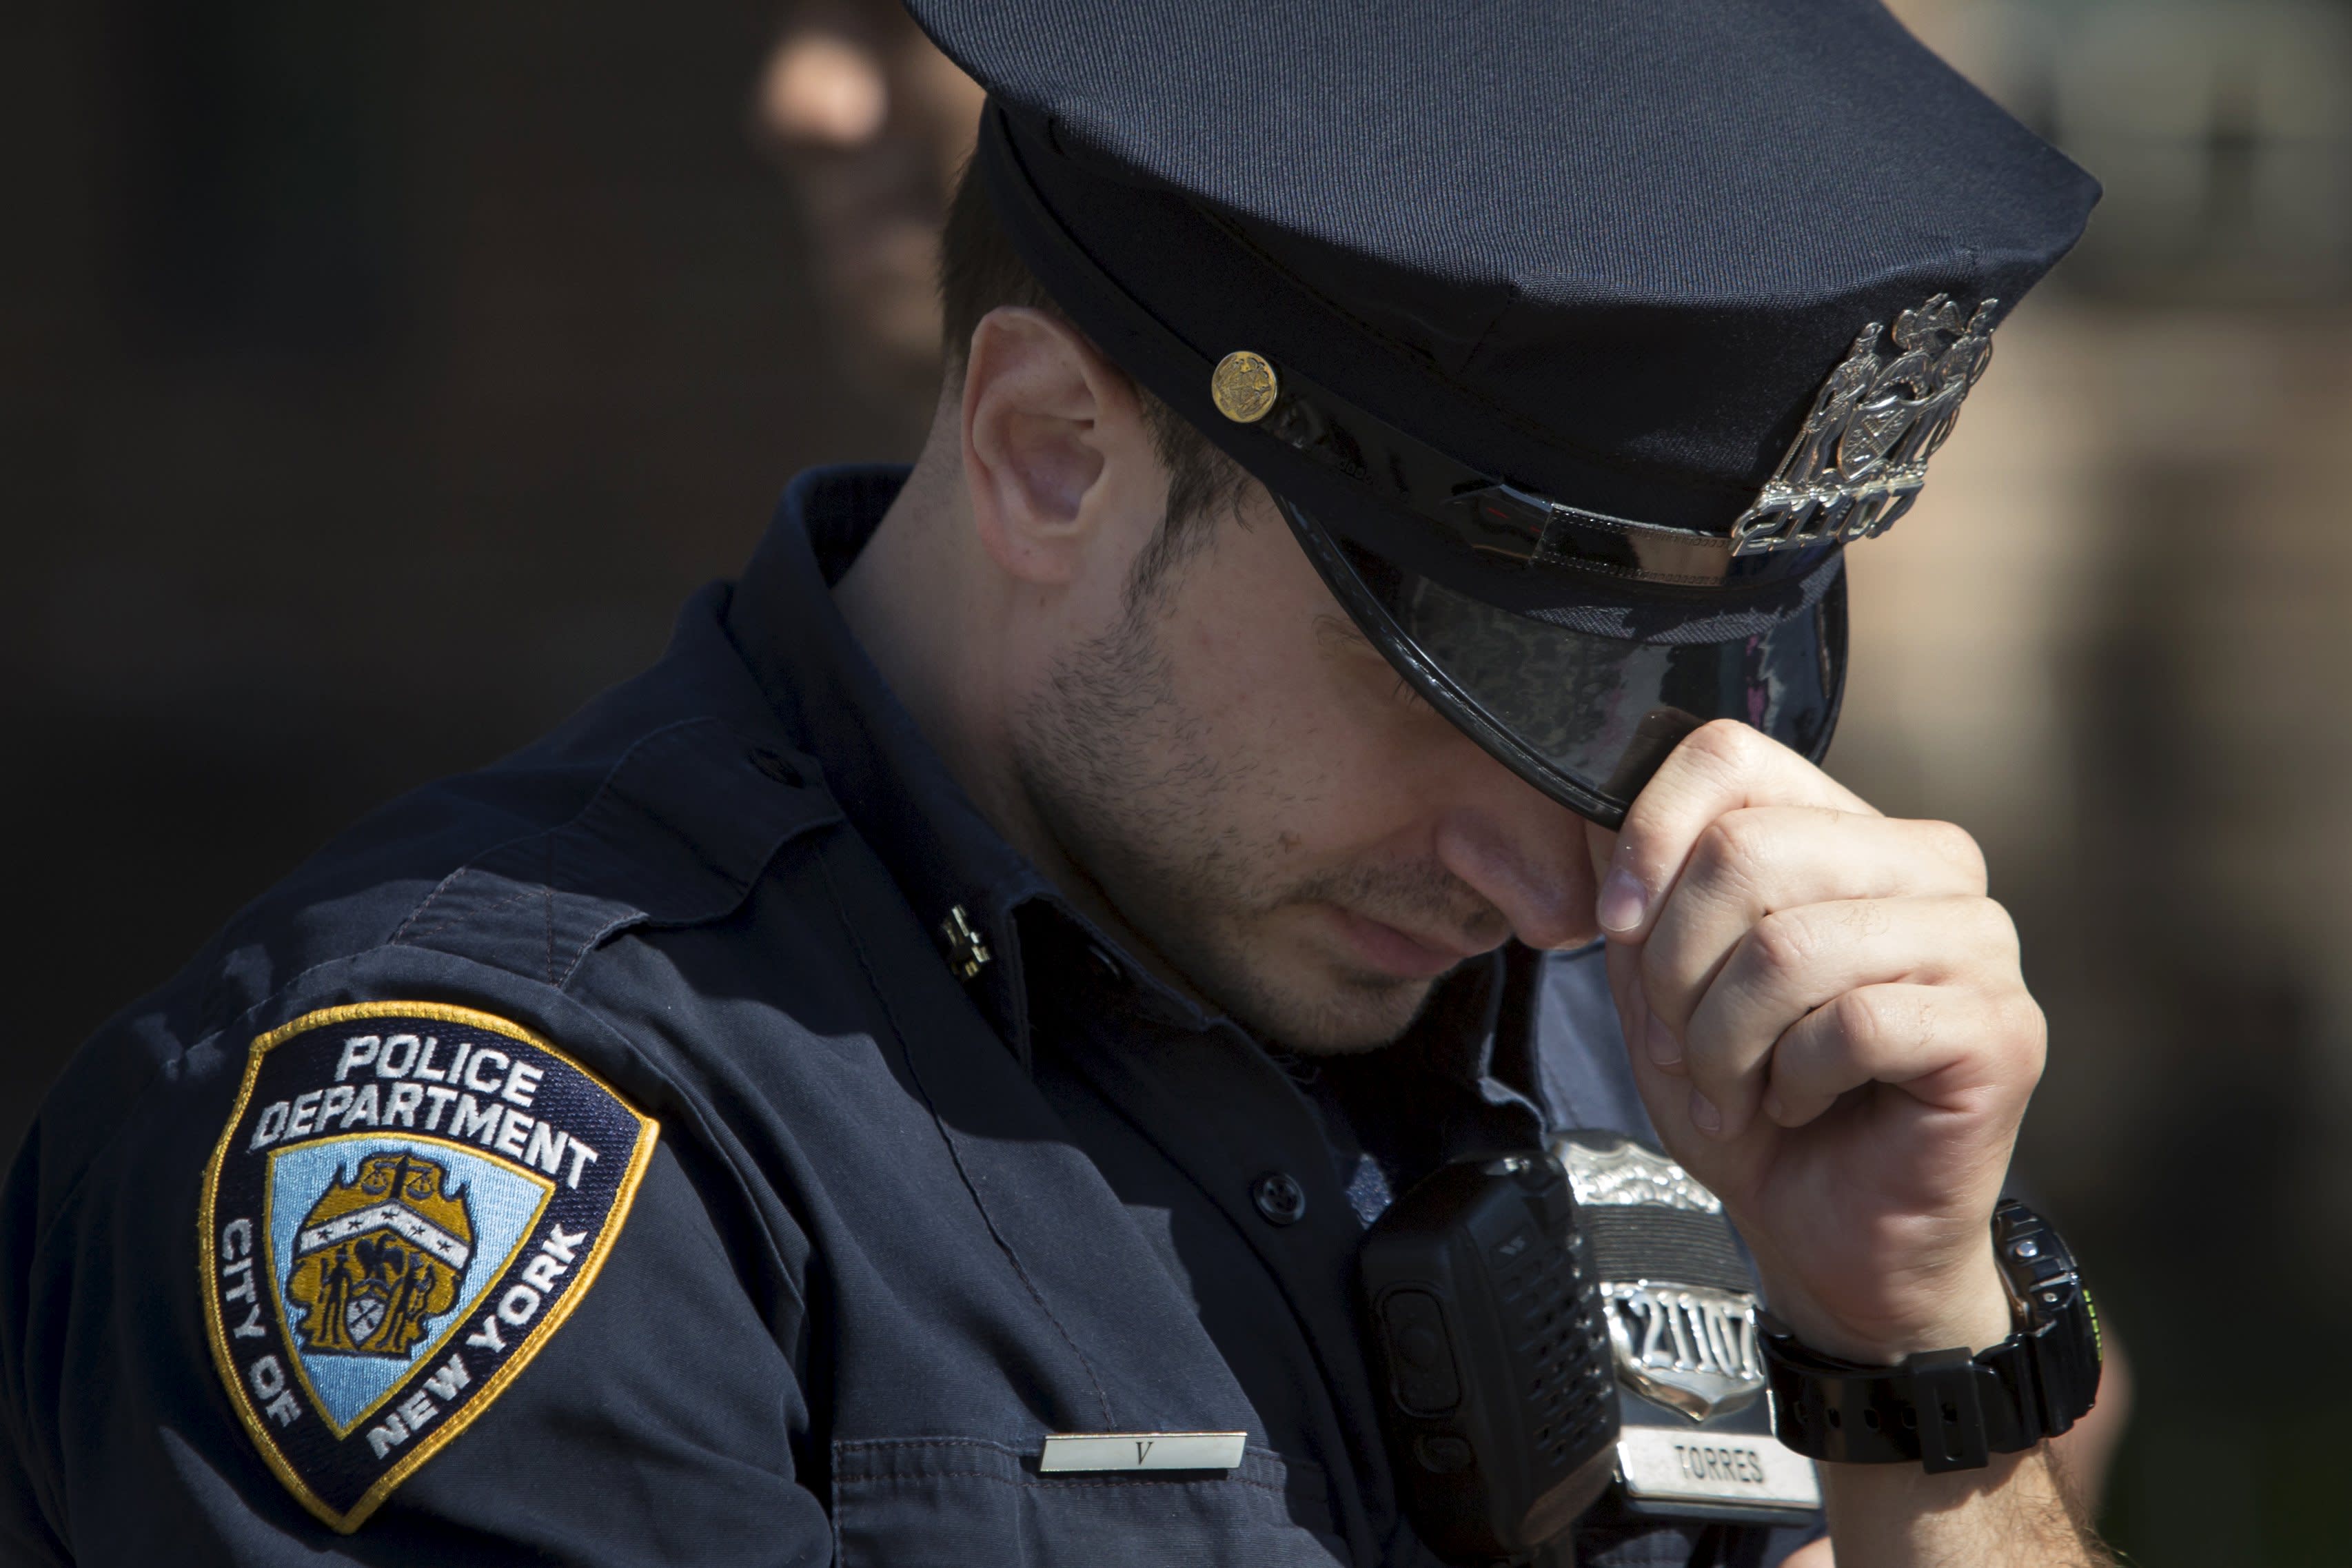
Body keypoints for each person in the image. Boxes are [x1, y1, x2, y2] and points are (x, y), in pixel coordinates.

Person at [0, 1, 2122, 1563]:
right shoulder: (524, 1145)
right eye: (1469, 673)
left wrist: (1915, 1356)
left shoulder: (1622, 1018)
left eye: (1674, 697)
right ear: (1044, 450)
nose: (1571, 869)